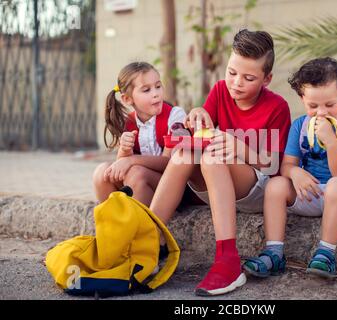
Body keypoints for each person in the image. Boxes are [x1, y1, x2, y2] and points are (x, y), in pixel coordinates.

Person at [149, 29, 291, 296]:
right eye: (231, 72)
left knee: (214, 155)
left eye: (248, 78)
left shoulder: (277, 107)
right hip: (215, 183)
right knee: (184, 152)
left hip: (254, 188)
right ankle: (148, 240)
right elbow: (201, 131)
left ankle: (228, 261)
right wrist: (198, 114)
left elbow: (274, 165)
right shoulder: (219, 91)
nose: (236, 83)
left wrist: (239, 147)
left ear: (267, 79)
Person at [243, 57, 337, 279]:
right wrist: (295, 173)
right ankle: (274, 252)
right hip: (309, 191)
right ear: (302, 99)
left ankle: (326, 253)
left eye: (329, 105)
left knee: (336, 185)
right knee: (275, 185)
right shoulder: (300, 126)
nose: (321, 113)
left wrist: (331, 141)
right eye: (313, 106)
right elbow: (287, 166)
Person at [92, 62, 186, 207]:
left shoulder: (175, 117)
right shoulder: (128, 123)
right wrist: (125, 151)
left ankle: (140, 225)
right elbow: (121, 166)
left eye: (158, 86)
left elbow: (168, 162)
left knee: (136, 173)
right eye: (146, 90)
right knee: (102, 172)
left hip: (173, 186)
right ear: (127, 99)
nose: (155, 94)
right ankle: (115, 222)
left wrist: (131, 160)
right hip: (140, 183)